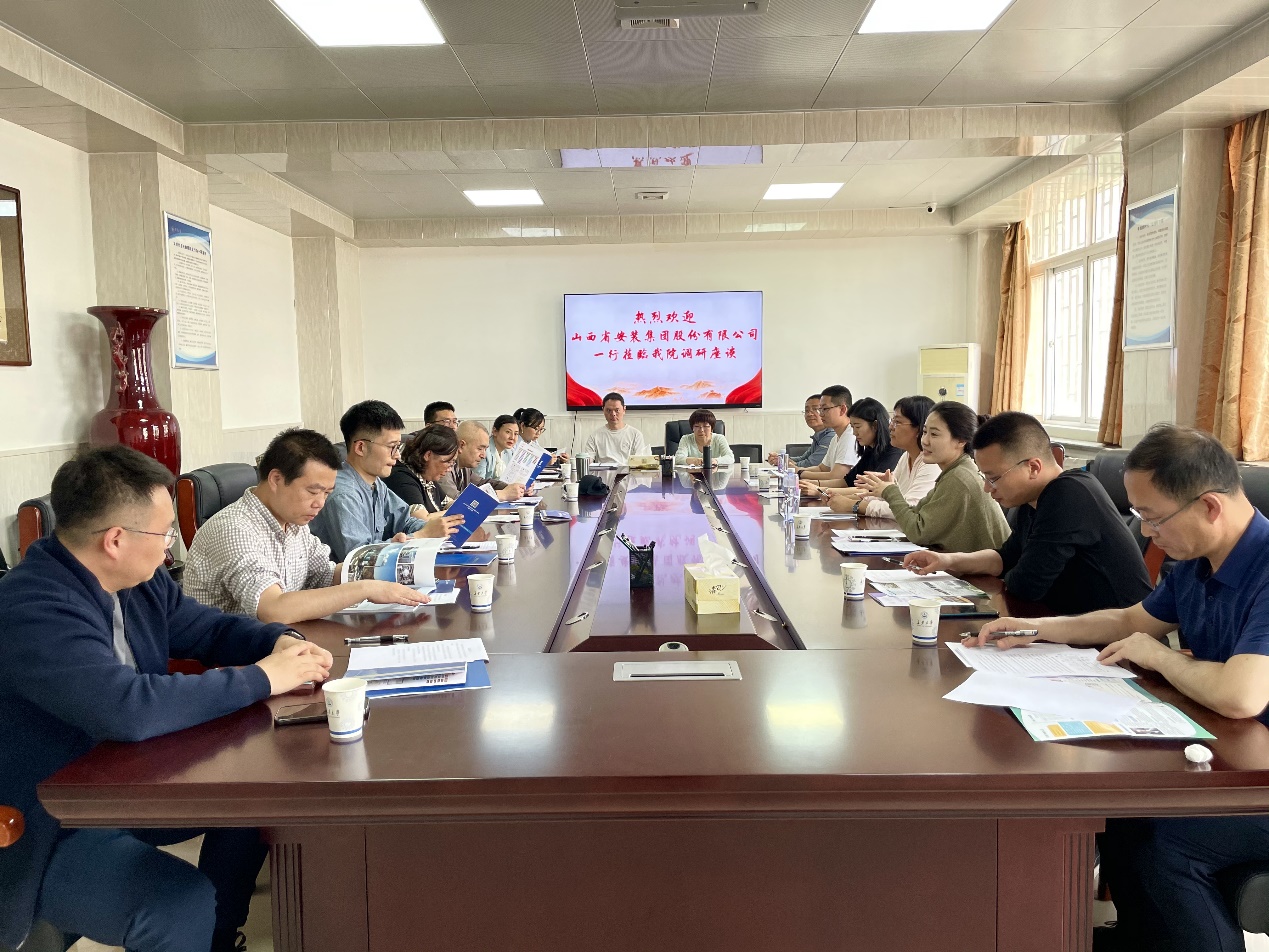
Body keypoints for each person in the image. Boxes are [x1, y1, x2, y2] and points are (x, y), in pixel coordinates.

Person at [0, 446, 334, 952]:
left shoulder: (138, 580)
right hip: (49, 820)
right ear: (116, 540)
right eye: (165, 534)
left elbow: (209, 629)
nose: (171, 550)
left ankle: (219, 937)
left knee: (255, 801)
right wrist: (264, 678)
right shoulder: (32, 606)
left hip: (127, 778)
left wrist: (280, 642)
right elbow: (127, 707)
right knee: (178, 904)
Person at [966, 425, 1269, 952]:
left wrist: (1158, 656)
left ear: (1210, 507)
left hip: (1254, 771)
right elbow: (1131, 619)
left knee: (1161, 838)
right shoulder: (1196, 559)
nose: (1145, 532)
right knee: (1120, 813)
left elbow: (1241, 696)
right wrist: (1037, 629)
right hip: (1231, 753)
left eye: (1153, 517)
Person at [902, 412, 1152, 614]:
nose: (987, 488)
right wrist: (947, 561)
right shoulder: (1032, 499)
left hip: (1115, 640)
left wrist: (1012, 572)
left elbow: (1026, 585)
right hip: (1067, 623)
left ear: (1032, 467)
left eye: (993, 478)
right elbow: (1006, 558)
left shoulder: (1069, 494)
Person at [184, 428, 429, 622]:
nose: (320, 503)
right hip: (230, 661)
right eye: (313, 491)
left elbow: (325, 574)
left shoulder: (292, 521)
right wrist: (364, 589)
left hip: (283, 642)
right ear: (276, 479)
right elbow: (274, 609)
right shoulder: (234, 529)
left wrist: (386, 558)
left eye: (327, 493)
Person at [308, 400, 460, 562]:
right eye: (391, 447)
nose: (397, 455)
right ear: (360, 447)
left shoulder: (376, 484)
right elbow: (358, 559)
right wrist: (422, 535)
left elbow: (405, 521)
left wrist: (435, 528)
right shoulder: (342, 494)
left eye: (398, 447)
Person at [855, 401, 1009, 552]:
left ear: (961, 441)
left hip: (988, 568)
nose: (925, 441)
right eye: (924, 432)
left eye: (934, 434)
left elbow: (918, 532)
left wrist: (890, 491)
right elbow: (917, 513)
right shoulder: (955, 470)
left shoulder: (959, 477)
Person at [847, 395, 938, 519]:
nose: (890, 427)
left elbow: (911, 508)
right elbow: (889, 498)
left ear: (919, 428)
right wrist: (860, 499)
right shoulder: (906, 457)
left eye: (897, 422)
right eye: (892, 421)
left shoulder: (931, 463)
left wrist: (856, 505)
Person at [802, 397, 903, 505]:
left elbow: (869, 491)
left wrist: (820, 490)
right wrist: (808, 484)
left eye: (857, 427)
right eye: (852, 427)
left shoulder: (893, 451)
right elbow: (847, 481)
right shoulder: (871, 449)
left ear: (875, 425)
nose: (854, 433)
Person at [439, 420, 526, 503]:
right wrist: (501, 494)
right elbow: (458, 501)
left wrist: (512, 488)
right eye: (480, 449)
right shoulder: (443, 469)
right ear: (461, 445)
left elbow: (482, 483)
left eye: (485, 449)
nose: (483, 456)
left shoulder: (464, 467)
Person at [384, 423, 460, 513]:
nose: (449, 469)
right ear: (428, 455)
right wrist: (457, 513)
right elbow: (422, 518)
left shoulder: (426, 476)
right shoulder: (402, 478)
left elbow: (447, 503)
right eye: (448, 462)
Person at [796, 385, 859, 484]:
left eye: (825, 409)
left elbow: (836, 477)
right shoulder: (836, 437)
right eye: (820, 409)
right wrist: (796, 471)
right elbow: (822, 468)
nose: (821, 414)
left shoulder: (850, 436)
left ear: (843, 409)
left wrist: (800, 473)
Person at [580, 392, 650, 465]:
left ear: (624, 410)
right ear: (603, 410)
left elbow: (639, 463)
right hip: (603, 472)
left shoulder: (636, 435)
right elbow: (588, 462)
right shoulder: (595, 436)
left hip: (627, 472)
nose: (613, 414)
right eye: (609, 410)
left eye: (617, 410)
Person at [769, 394, 834, 468]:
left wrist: (787, 463)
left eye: (815, 409)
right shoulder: (819, 436)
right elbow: (803, 458)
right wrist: (780, 459)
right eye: (807, 411)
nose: (810, 414)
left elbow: (811, 464)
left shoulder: (831, 436)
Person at [475, 414, 519, 483]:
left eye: (516, 434)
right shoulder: (483, 452)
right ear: (495, 431)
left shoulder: (510, 452)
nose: (512, 437)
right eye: (508, 432)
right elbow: (478, 483)